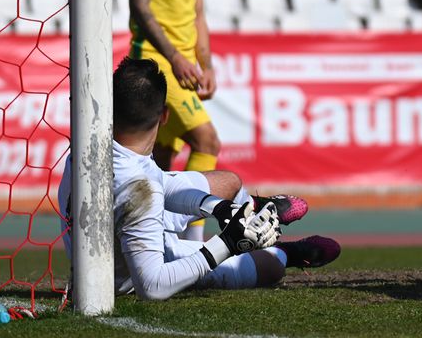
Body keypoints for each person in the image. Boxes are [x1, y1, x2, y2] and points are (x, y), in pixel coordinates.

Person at [57, 57, 339, 301]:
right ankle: (286, 252)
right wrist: (227, 244)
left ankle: (248, 211)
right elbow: (153, 286)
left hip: (125, 219)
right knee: (271, 266)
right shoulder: (140, 186)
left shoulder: (90, 144)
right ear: (165, 116)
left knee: (229, 183)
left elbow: (161, 185)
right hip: (128, 274)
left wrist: (217, 207)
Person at [125, 0, 222, 218]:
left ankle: (159, 238)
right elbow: (141, 6)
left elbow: (198, 14)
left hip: (185, 67)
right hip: (156, 63)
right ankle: (192, 244)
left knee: (163, 160)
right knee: (207, 142)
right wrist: (177, 59)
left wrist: (206, 64)